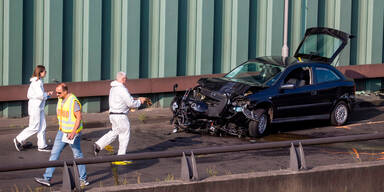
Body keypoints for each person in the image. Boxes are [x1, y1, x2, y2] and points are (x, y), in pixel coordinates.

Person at [34, 83, 89, 187]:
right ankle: (47, 178)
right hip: (62, 132)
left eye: (59, 93)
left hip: (73, 133)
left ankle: (83, 179)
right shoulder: (60, 99)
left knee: (77, 155)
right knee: (54, 153)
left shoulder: (73, 101)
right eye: (56, 92)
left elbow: (79, 117)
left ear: (65, 91)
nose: (57, 94)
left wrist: (73, 132)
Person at [93, 72, 146, 165]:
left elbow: (123, 99)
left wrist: (135, 99)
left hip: (113, 114)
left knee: (115, 132)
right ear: (123, 79)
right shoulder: (122, 89)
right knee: (124, 135)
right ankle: (121, 157)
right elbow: (130, 103)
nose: (126, 80)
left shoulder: (113, 88)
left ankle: (99, 144)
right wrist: (140, 102)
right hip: (121, 115)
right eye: (126, 78)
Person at [13, 65, 53, 152]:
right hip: (36, 107)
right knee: (34, 127)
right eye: (44, 71)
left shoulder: (36, 82)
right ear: (40, 72)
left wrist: (45, 94)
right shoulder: (37, 82)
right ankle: (18, 139)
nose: (45, 73)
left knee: (42, 126)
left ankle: (42, 145)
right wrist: (48, 94)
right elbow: (40, 95)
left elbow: (31, 95)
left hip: (38, 107)